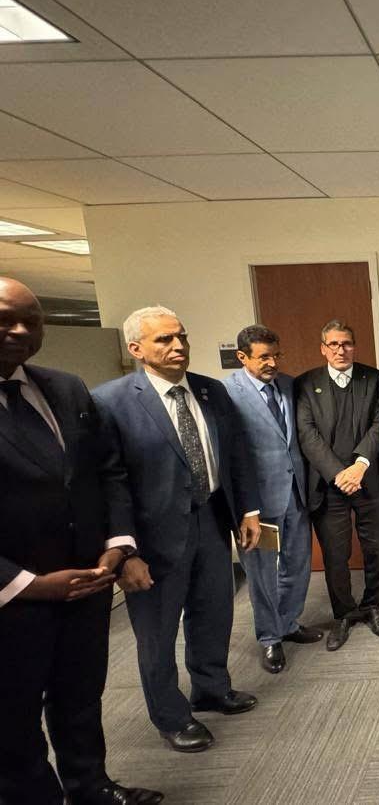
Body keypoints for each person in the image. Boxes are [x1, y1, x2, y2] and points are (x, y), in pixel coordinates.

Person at [0, 278, 162, 805]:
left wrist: (118, 544)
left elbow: (105, 472)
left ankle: (91, 786)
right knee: (13, 715)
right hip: (14, 596)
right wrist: (28, 584)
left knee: (80, 695)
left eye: (32, 320)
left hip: (87, 581)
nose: (19, 331)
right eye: (5, 318)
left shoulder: (66, 388)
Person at [93, 306, 261, 753]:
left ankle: (212, 689)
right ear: (136, 349)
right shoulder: (110, 401)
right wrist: (125, 552)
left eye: (181, 336)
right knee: (157, 632)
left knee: (213, 612)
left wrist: (247, 511)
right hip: (151, 538)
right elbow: (108, 483)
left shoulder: (209, 390)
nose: (178, 346)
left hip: (211, 519)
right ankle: (172, 716)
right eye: (164, 339)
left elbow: (235, 453)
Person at [224, 325, 322, 673]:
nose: (273, 363)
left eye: (276, 355)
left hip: (296, 494)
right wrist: (243, 507)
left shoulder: (290, 385)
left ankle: (289, 623)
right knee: (263, 573)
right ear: (242, 357)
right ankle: (269, 637)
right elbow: (229, 456)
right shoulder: (227, 393)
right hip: (257, 505)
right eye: (264, 357)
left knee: (297, 563)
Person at [295, 320, 379, 650]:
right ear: (323, 348)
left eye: (346, 343)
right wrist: (339, 474)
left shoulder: (373, 378)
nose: (340, 350)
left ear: (354, 346)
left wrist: (360, 465)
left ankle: (372, 604)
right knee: (336, 554)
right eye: (333, 344)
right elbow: (307, 434)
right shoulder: (306, 384)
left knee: (376, 548)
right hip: (328, 484)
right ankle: (344, 613)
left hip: (367, 479)